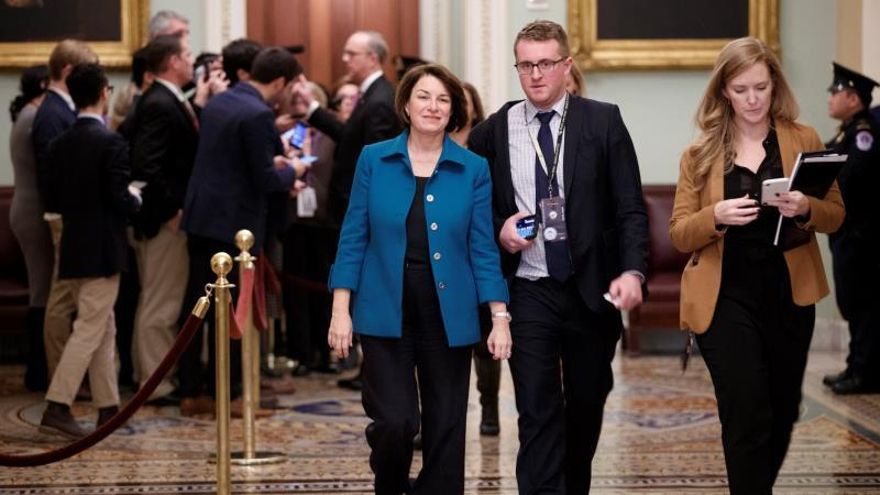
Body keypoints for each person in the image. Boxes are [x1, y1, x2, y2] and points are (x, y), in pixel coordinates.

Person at [468, 20, 648, 494]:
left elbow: (629, 206)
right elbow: (471, 213)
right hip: (528, 290)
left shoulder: (602, 120)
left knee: (587, 403)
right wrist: (498, 229)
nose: (535, 74)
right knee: (537, 408)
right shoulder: (492, 131)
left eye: (546, 63)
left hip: (592, 289)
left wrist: (632, 270)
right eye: (525, 65)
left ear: (566, 65)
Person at [669, 38, 845, 494]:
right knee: (745, 408)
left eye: (761, 88)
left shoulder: (803, 139)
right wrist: (716, 217)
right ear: (724, 90)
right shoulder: (700, 153)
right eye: (741, 89)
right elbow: (679, 233)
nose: (752, 99)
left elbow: (836, 214)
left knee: (780, 411)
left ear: (774, 87)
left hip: (788, 293)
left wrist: (806, 206)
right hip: (724, 296)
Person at [327, 63, 511, 494]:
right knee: (395, 421)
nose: (433, 106)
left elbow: (482, 247)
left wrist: (499, 316)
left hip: (449, 311)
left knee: (446, 425)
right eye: (424, 97)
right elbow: (353, 237)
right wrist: (341, 311)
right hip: (383, 306)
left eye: (443, 99)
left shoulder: (473, 168)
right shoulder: (374, 159)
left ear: (454, 111)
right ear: (406, 105)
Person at [178, 47, 307, 413]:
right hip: (233, 228)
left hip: (202, 218)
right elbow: (266, 179)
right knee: (231, 314)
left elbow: (233, 159)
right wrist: (293, 171)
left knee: (196, 309)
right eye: (291, 84)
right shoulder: (258, 114)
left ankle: (191, 389)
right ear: (279, 82)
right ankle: (229, 394)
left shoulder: (223, 101)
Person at [293, 30, 401, 391]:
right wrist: (311, 110)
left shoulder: (381, 99)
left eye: (351, 54)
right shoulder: (374, 95)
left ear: (372, 58)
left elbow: (377, 161)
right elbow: (348, 135)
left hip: (366, 213)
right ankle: (367, 367)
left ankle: (372, 368)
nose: (344, 60)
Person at [39, 63, 141, 438]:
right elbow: (118, 198)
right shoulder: (110, 142)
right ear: (104, 93)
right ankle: (58, 404)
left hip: (73, 246)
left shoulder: (59, 143)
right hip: (102, 250)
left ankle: (107, 408)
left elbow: (55, 196)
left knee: (102, 328)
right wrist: (135, 199)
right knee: (89, 329)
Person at [128, 33, 199, 407]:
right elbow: (147, 166)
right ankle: (155, 384)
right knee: (161, 303)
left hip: (165, 217)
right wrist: (172, 209)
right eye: (187, 55)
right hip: (163, 222)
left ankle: (155, 377)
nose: (192, 61)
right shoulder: (160, 103)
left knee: (158, 300)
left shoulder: (167, 99)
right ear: (172, 61)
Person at [31, 40, 99, 386]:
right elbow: (55, 172)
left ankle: (68, 373)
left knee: (64, 293)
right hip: (63, 214)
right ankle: (61, 372)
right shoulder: (53, 112)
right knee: (61, 297)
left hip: (68, 212)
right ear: (69, 72)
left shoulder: (58, 108)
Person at [822, 62, 880, 394]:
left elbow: (849, 178)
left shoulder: (863, 135)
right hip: (847, 234)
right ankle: (855, 366)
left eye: (836, 92)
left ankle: (864, 372)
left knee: (865, 305)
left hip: (863, 237)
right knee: (853, 303)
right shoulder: (847, 133)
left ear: (854, 99)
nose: (830, 98)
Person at [8, 64, 51, 392]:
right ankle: (37, 370)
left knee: (43, 290)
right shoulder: (34, 116)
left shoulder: (28, 112)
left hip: (27, 207)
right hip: (33, 209)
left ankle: (38, 368)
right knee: (41, 292)